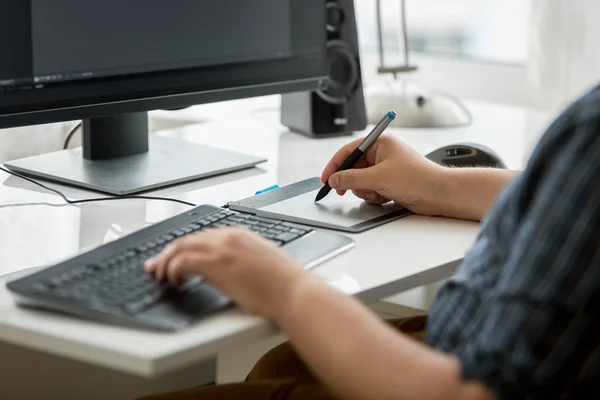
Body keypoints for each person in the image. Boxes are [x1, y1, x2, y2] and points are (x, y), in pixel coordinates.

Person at [141, 85, 600, 400]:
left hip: (462, 379)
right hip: (478, 343)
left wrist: (285, 289)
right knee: (280, 364)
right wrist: (436, 185)